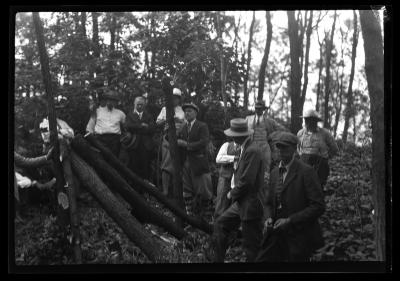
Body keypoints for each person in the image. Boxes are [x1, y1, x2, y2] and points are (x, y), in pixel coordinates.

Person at [256, 132, 325, 262]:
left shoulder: (306, 172)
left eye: (285, 147)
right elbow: (268, 203)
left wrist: (290, 220)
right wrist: (268, 218)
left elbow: (318, 206)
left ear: (294, 149)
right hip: (276, 233)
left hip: (299, 234)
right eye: (279, 147)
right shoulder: (275, 172)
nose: (281, 151)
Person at [211, 118, 265, 262]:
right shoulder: (243, 148)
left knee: (251, 246)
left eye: (233, 135)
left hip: (251, 203)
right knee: (221, 223)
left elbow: (247, 181)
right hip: (242, 202)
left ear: (240, 136)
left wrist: (231, 193)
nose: (232, 137)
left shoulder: (252, 151)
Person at [177, 103, 213, 222]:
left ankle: (207, 218)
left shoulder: (202, 126)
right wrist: (169, 133)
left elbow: (204, 142)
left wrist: (187, 145)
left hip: (198, 162)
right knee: (187, 189)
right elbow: (174, 139)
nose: (187, 113)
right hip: (185, 162)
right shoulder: (182, 126)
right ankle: (190, 217)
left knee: (203, 190)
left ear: (196, 113)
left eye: (190, 111)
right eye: (185, 111)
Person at [245, 100, 288, 182]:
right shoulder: (248, 119)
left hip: (265, 147)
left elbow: (282, 128)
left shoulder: (269, 121)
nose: (258, 110)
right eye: (256, 108)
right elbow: (242, 131)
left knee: (266, 168)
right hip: (252, 146)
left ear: (263, 110)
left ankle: (265, 186)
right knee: (251, 166)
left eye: (260, 109)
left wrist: (275, 136)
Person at [297, 109, 339, 190]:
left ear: (316, 121)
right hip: (304, 164)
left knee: (318, 187)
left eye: (311, 120)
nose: (308, 122)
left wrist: (325, 158)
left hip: (320, 165)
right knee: (303, 187)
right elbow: (298, 149)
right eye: (306, 120)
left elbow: (334, 149)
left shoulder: (325, 133)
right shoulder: (300, 133)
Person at [86, 90, 126, 157]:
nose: (110, 102)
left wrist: (123, 138)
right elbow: (89, 128)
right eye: (108, 100)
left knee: (114, 161)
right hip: (100, 140)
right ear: (105, 100)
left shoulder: (120, 113)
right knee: (101, 160)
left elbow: (126, 127)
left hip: (114, 141)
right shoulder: (97, 111)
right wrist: (92, 141)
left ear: (116, 102)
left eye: (112, 100)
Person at [124, 96, 156, 181]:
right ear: (134, 104)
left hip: (146, 146)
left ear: (145, 105)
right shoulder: (130, 115)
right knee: (133, 166)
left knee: (146, 167)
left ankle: (146, 190)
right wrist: (142, 126)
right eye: (138, 104)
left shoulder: (149, 116)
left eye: (141, 105)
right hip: (133, 144)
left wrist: (136, 128)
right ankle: (134, 188)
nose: (139, 106)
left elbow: (152, 129)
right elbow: (127, 126)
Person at [213, 138, 241, 220]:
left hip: (238, 181)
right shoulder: (227, 145)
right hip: (225, 178)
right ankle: (217, 225)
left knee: (234, 204)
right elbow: (218, 159)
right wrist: (233, 158)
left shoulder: (245, 148)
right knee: (221, 202)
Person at [160, 119, 185, 197]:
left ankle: (177, 193)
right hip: (169, 149)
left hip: (181, 154)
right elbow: (166, 140)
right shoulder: (167, 137)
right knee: (166, 168)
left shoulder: (183, 131)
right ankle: (165, 191)